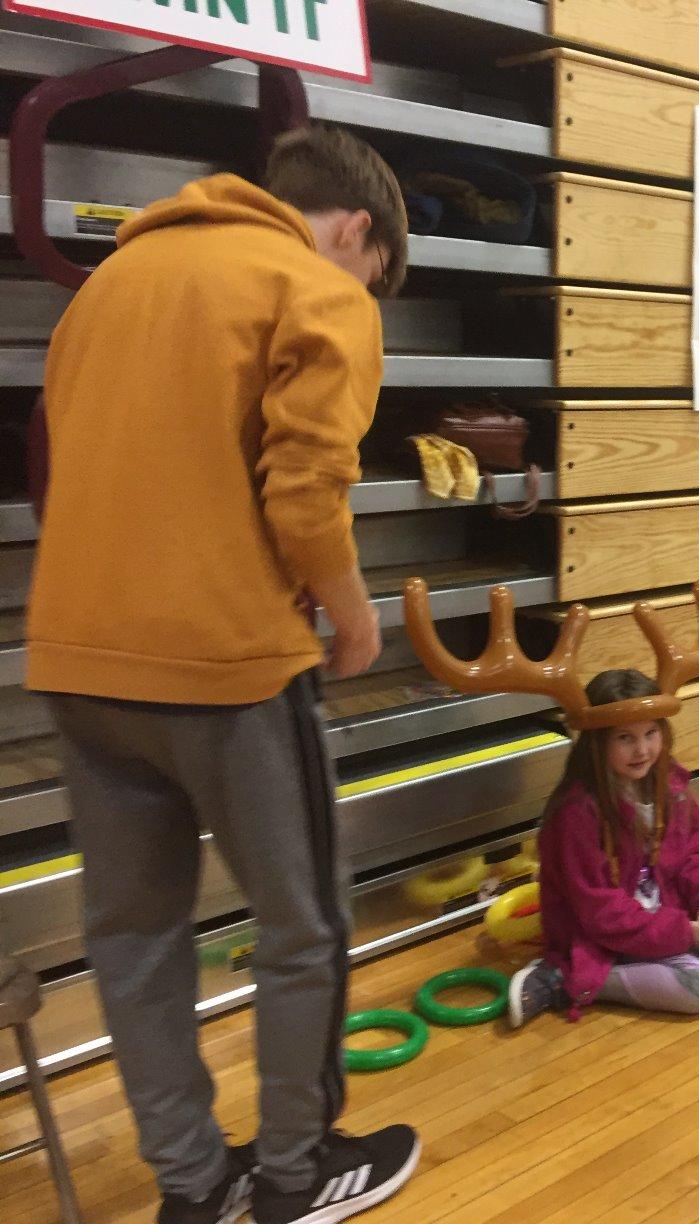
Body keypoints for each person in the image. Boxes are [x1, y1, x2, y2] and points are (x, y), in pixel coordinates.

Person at [27, 126, 419, 1224]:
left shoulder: (109, 286)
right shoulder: (319, 287)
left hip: (77, 654)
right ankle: (297, 1176)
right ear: (355, 230)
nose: (366, 286)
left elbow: (62, 464)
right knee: (306, 928)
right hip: (229, 669)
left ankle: (193, 1191)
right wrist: (352, 619)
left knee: (136, 937)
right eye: (375, 268)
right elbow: (305, 494)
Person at [506, 670, 699, 1026]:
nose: (643, 750)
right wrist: (680, 932)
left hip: (668, 912)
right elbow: (600, 912)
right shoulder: (576, 812)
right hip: (604, 934)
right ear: (597, 743)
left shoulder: (670, 783)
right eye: (625, 738)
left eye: (651, 733)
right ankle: (562, 979)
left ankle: (673, 949)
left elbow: (695, 854)